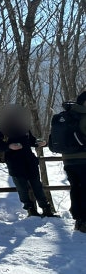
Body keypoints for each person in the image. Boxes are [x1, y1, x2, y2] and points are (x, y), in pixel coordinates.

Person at [0, 104, 56, 218]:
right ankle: (31, 210)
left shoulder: (24, 128)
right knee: (22, 188)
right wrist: (9, 146)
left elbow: (31, 141)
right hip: (15, 164)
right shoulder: (3, 130)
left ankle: (46, 209)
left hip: (30, 161)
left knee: (37, 186)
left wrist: (39, 143)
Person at [63, 91, 86, 232]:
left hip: (68, 161)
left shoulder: (69, 114)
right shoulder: (84, 116)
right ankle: (84, 222)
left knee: (76, 188)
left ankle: (78, 220)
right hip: (83, 160)